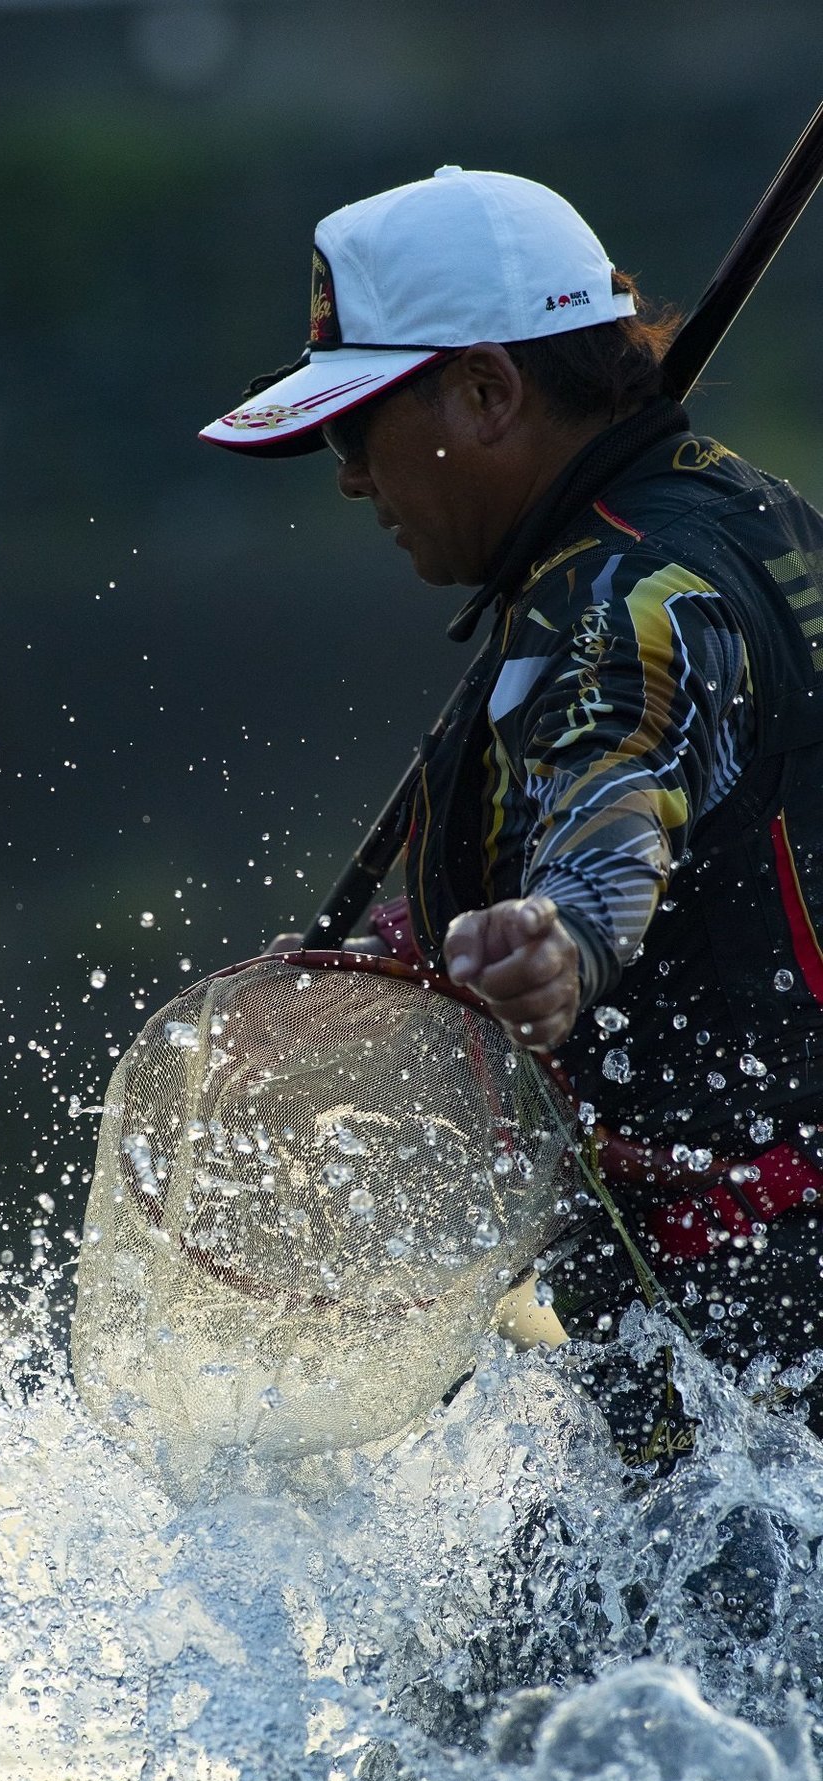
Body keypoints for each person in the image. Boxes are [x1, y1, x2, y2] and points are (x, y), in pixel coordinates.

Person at [199, 166, 823, 1471]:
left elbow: (621, 790)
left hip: (750, 1398)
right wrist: (385, 960)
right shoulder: (749, 521)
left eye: (356, 427)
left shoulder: (629, 600)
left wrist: (563, 935)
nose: (350, 478)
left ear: (487, 393)